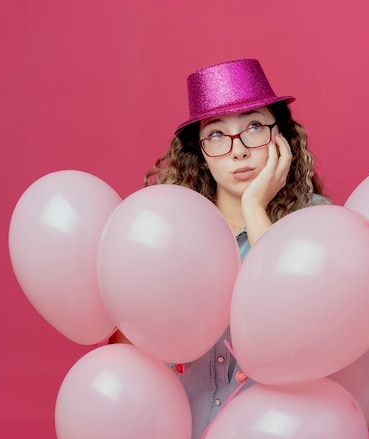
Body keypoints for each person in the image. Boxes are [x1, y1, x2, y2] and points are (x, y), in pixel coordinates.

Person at [109, 58, 330, 438]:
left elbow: (300, 321)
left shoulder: (317, 223)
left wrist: (255, 209)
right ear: (199, 150)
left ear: (282, 136)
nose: (238, 150)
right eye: (216, 134)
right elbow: (127, 345)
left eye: (255, 127)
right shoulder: (168, 227)